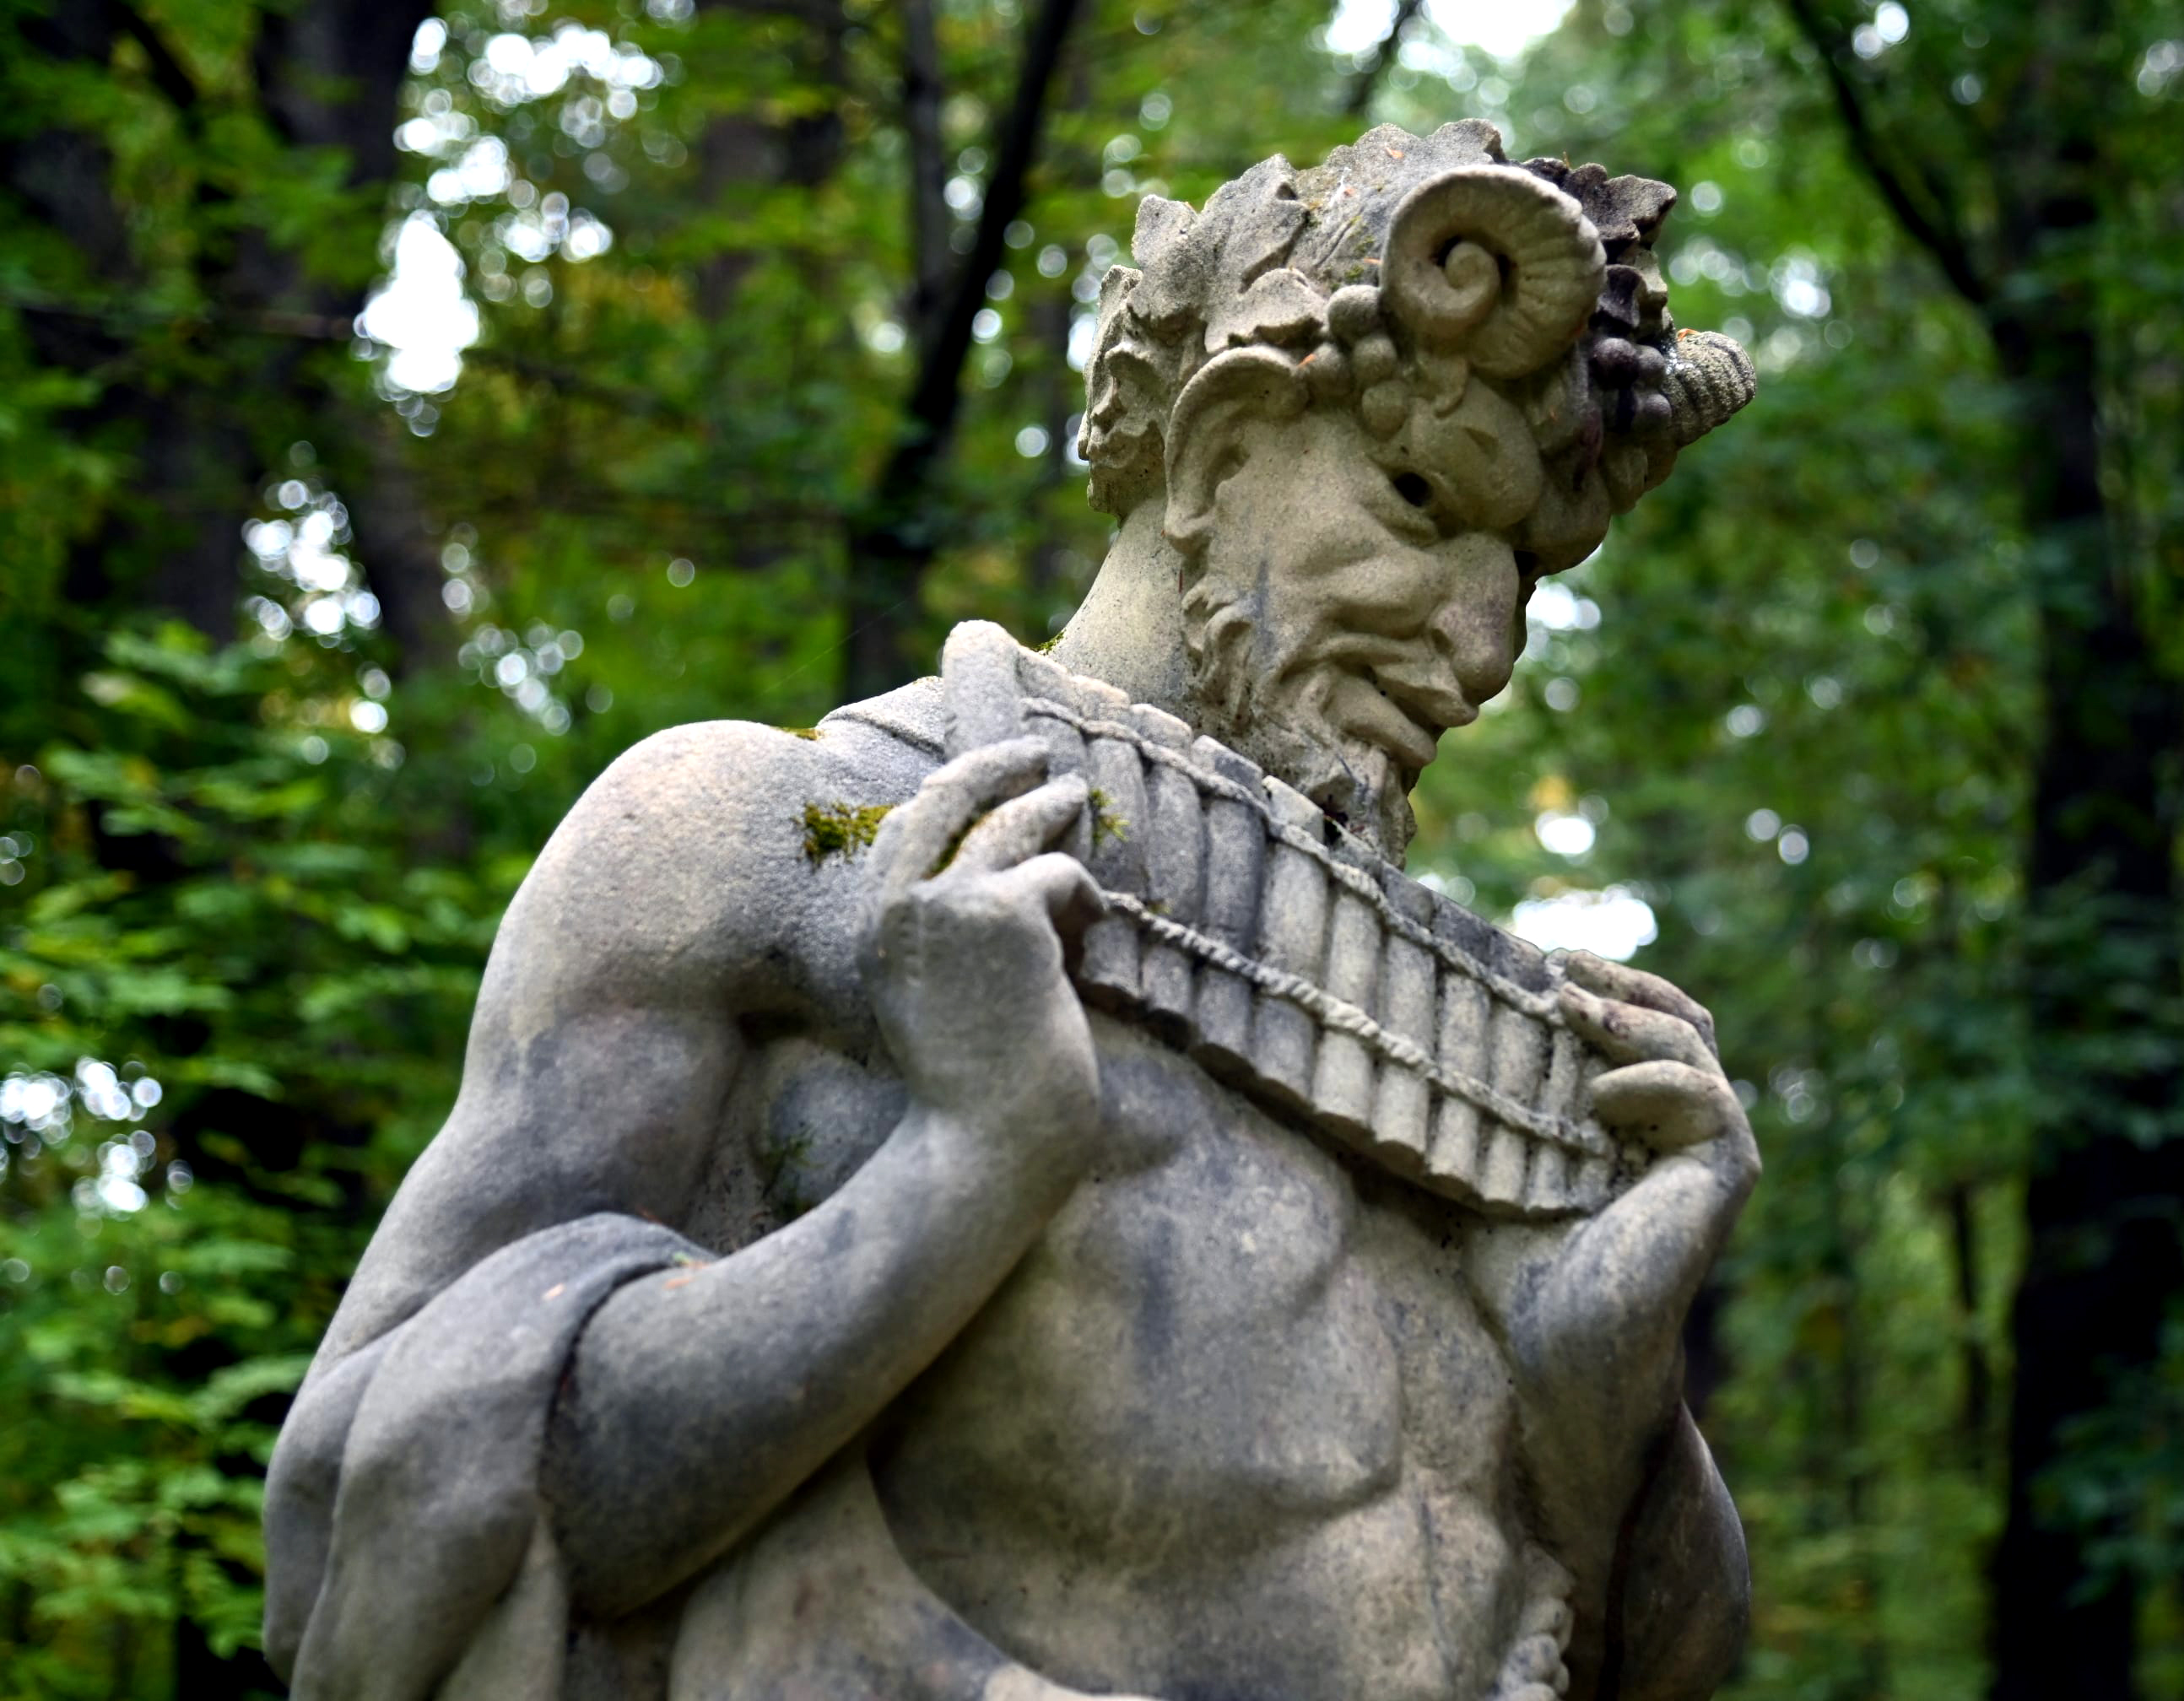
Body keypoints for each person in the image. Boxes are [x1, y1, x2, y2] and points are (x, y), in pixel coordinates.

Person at [265, 119, 1759, 1701]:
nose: (1481, 644)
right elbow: (357, 1518)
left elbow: (1666, 1667)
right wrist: (972, 1165)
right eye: (1421, 500)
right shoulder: (745, 836)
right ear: (1229, 435)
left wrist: (1608, 1393)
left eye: (1526, 574)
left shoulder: (1460, 1050)